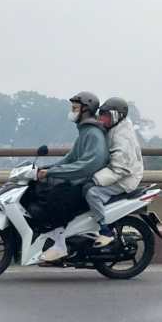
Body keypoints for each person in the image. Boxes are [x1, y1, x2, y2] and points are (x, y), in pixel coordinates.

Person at [34, 91, 109, 261]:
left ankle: (60, 245)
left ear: (85, 110)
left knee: (56, 198)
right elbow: (70, 158)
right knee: (42, 191)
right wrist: (46, 168)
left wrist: (52, 172)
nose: (72, 112)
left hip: (87, 182)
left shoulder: (93, 134)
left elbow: (88, 165)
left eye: (75, 108)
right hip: (81, 180)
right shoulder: (84, 132)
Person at [86, 96, 145, 246]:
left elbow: (120, 168)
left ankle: (105, 230)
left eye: (105, 115)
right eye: (101, 114)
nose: (101, 119)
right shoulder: (114, 128)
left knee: (92, 193)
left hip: (125, 179)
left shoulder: (122, 136)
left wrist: (95, 179)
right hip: (117, 174)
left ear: (116, 116)